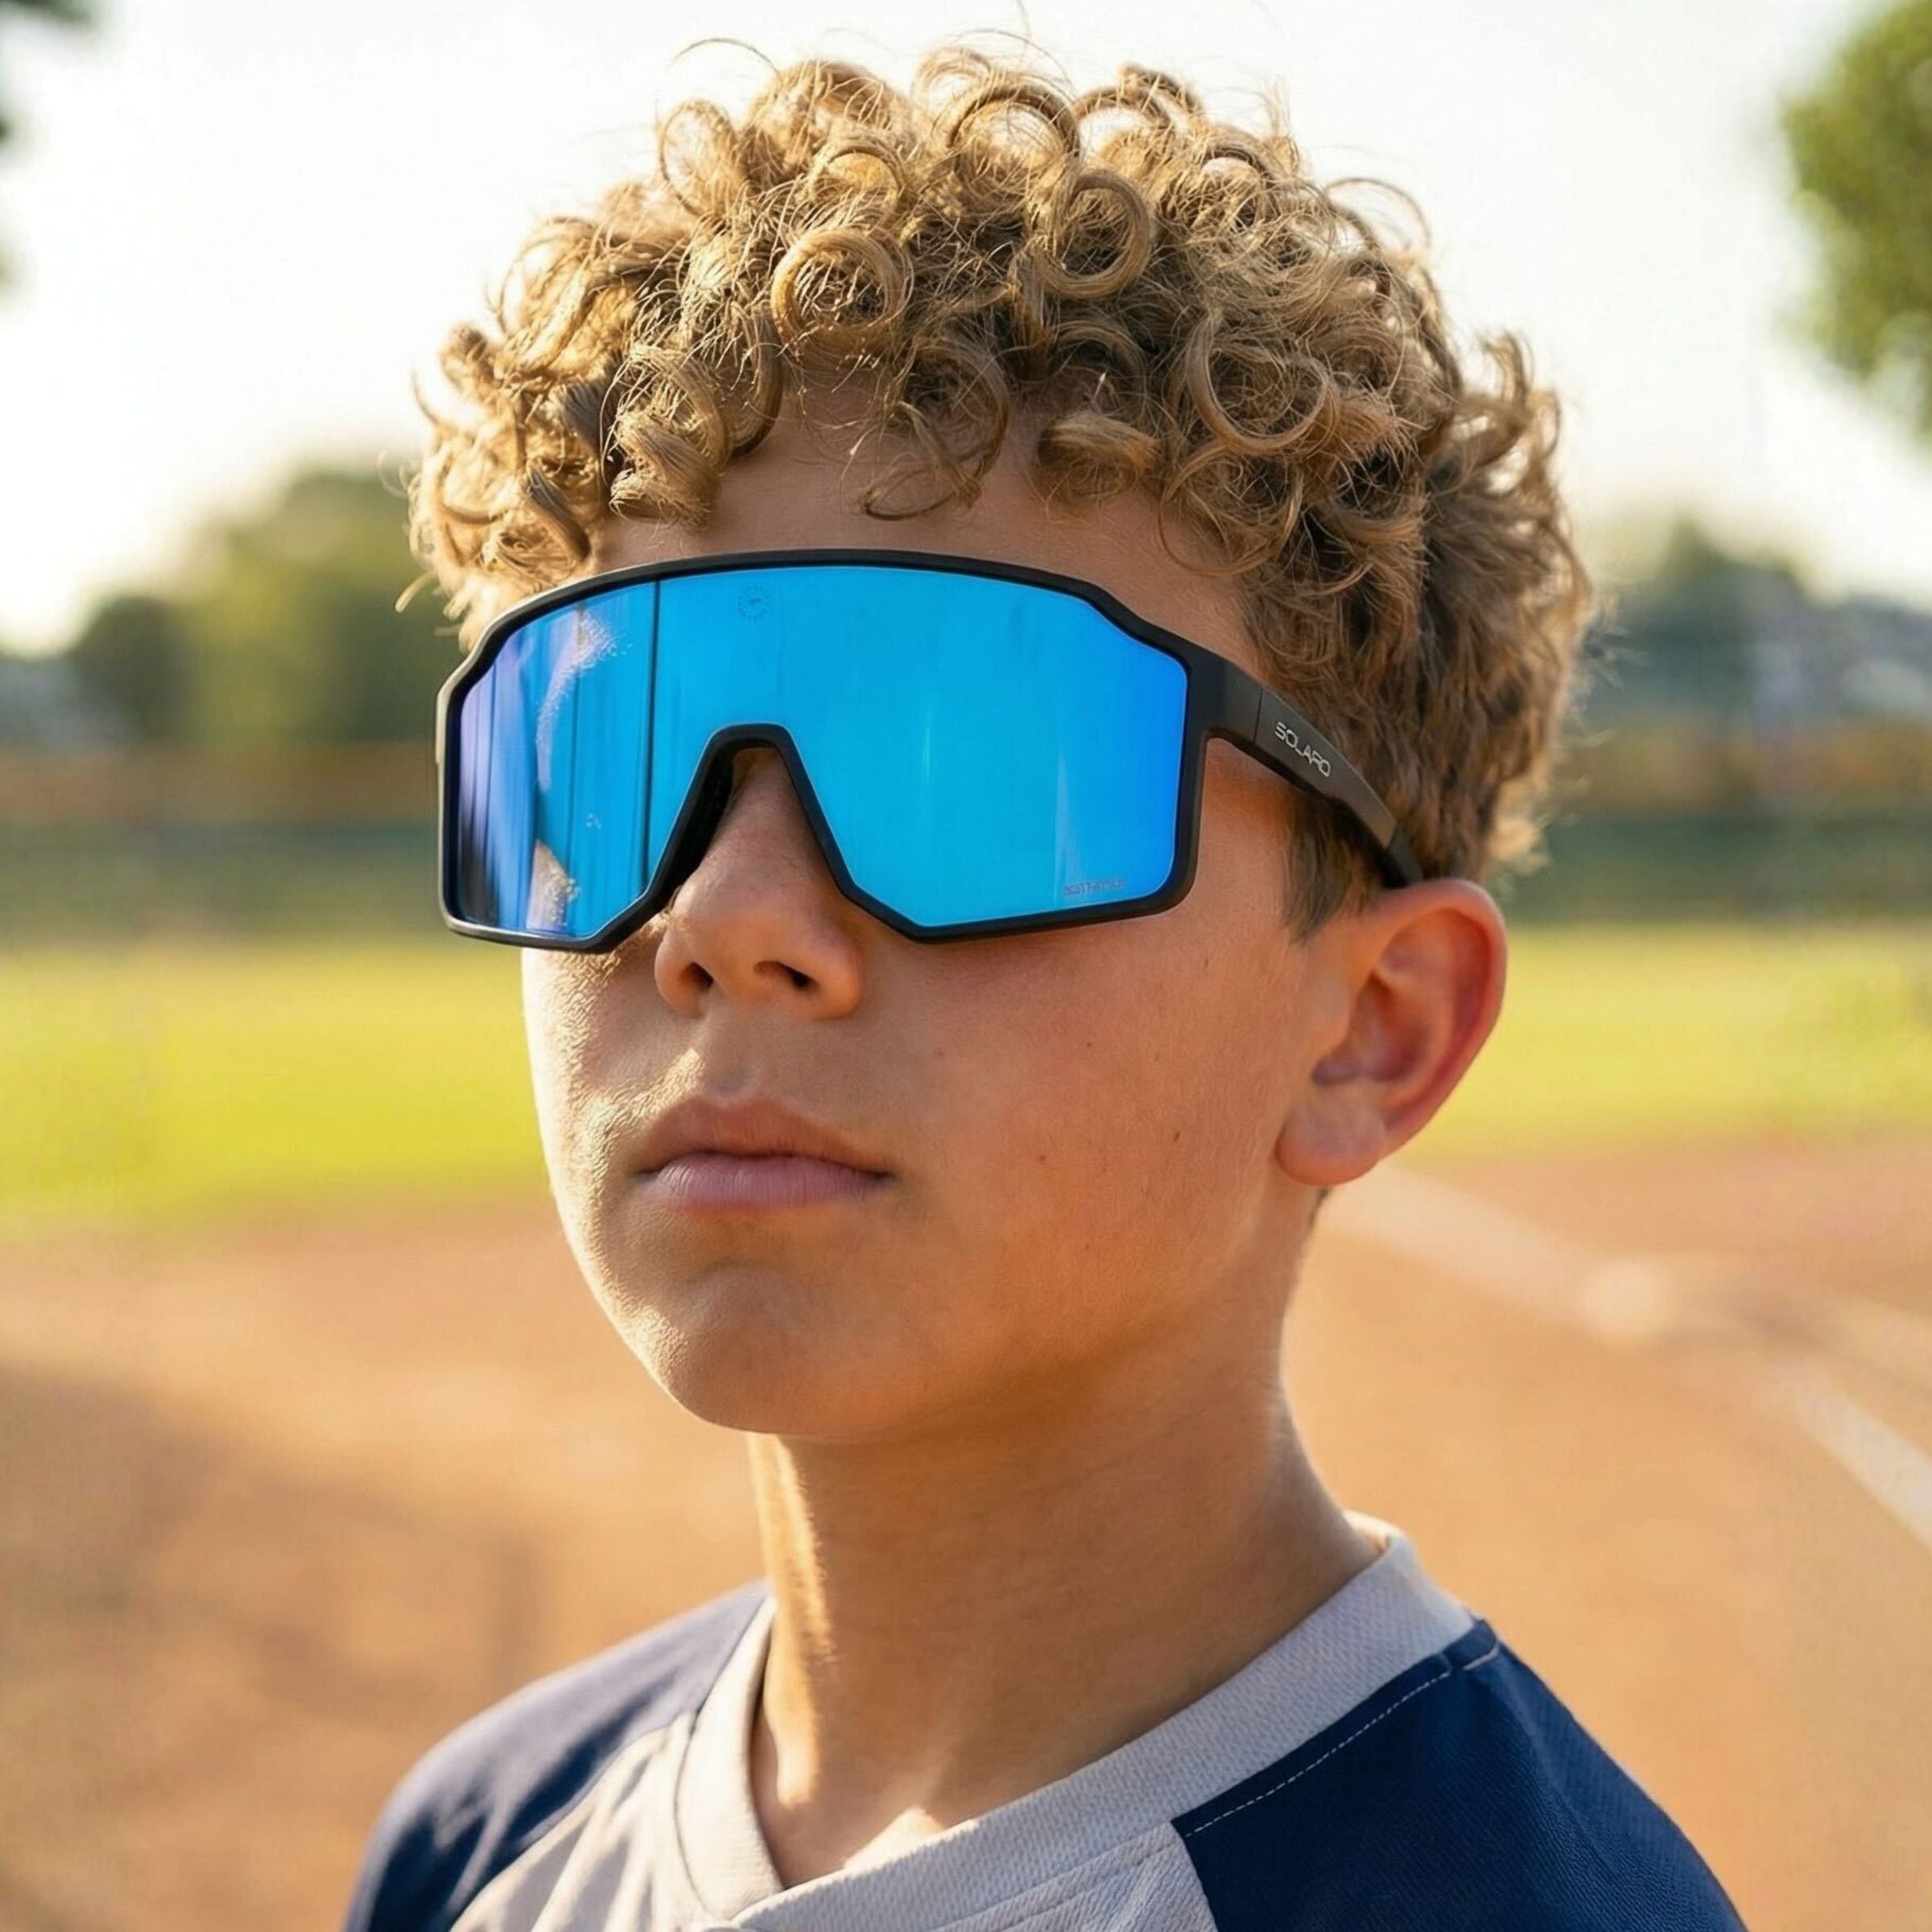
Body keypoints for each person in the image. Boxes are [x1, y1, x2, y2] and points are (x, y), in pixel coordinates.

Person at [344, 36, 1750, 1931]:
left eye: (974, 767)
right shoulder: (477, 1848)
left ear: (1372, 1028)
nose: (725, 913)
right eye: (604, 749)